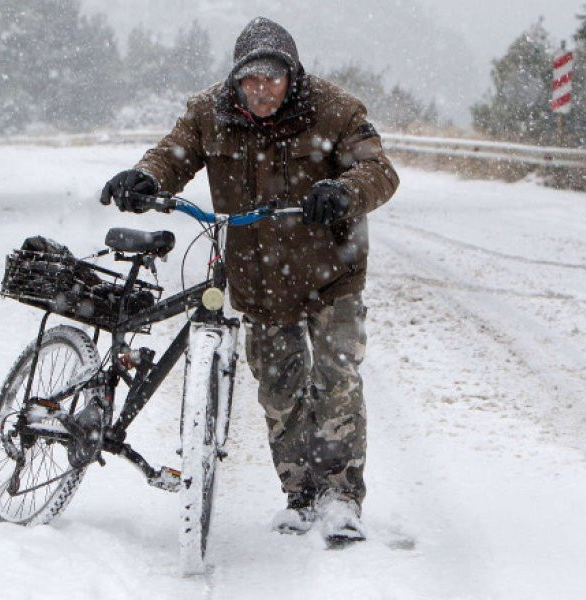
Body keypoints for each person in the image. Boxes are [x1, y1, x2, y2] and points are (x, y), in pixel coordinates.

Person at [99, 17, 398, 545]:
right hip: (260, 278)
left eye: (271, 79)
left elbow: (379, 171)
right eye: (250, 81)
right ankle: (301, 498)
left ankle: (342, 499)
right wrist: (146, 176)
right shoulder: (209, 113)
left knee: (335, 382)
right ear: (235, 80)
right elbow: (173, 154)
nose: (260, 91)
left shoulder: (335, 109)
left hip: (333, 273)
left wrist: (343, 191)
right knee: (280, 390)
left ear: (291, 75)